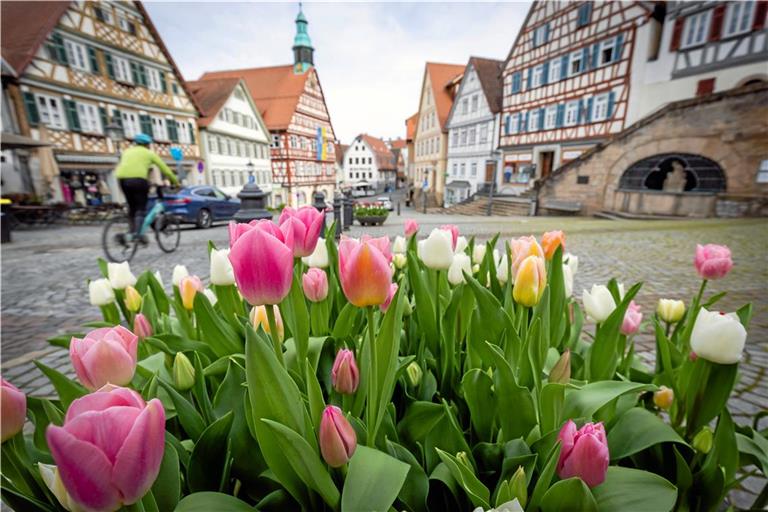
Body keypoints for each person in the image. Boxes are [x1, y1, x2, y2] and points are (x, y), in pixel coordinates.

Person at [115, 133, 179, 241]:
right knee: (140, 208)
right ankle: (138, 235)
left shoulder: (126, 152)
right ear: (148, 145)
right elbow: (165, 169)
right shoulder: (149, 154)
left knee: (132, 208)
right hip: (138, 180)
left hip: (122, 180)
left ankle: (131, 231)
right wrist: (176, 182)